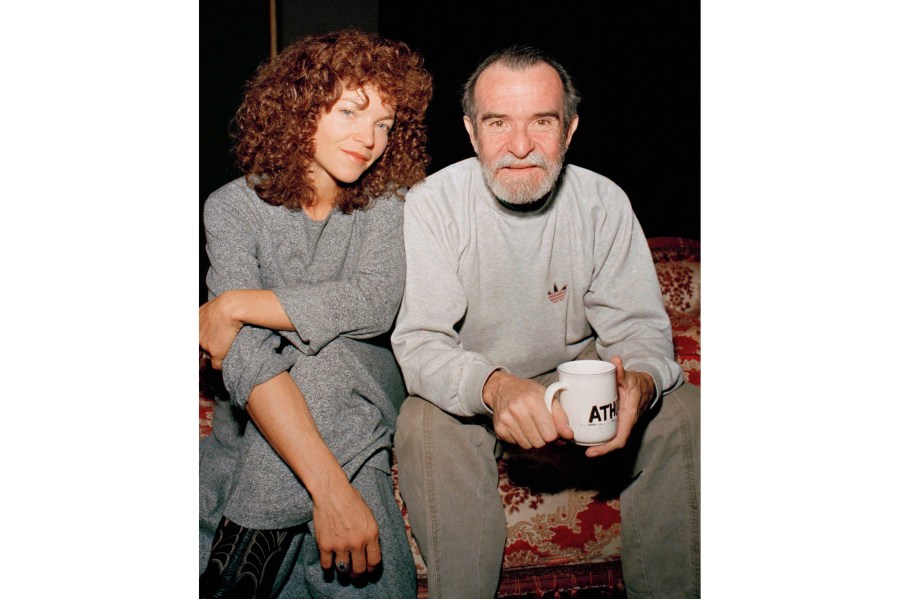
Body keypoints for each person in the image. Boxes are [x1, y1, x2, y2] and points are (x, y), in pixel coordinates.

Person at [390, 45, 700, 598]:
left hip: (575, 373)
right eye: (498, 123)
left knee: (683, 411)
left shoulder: (604, 202)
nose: (520, 146)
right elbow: (421, 344)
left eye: (542, 121)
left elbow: (642, 333)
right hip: (477, 382)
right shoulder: (431, 204)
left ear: (570, 130)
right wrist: (494, 387)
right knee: (421, 423)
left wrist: (641, 382)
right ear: (470, 132)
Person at [198, 29, 432, 598]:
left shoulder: (388, 201)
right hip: (268, 411)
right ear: (301, 108)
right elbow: (242, 355)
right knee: (319, 380)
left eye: (384, 124)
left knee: (329, 364)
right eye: (352, 112)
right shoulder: (231, 207)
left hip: (369, 385)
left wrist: (233, 305)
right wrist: (332, 491)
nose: (370, 139)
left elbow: (375, 303)